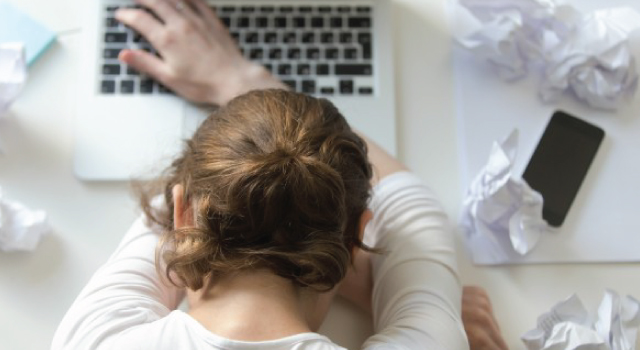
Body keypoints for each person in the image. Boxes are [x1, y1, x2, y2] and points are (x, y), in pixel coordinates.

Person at [52, 0, 508, 349]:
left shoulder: (94, 338)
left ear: (182, 212)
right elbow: (410, 203)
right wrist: (432, 304)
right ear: (359, 239)